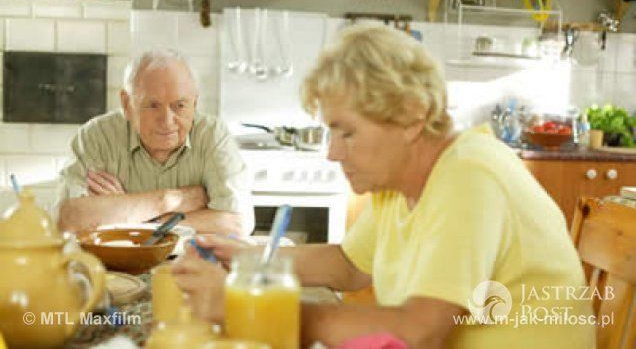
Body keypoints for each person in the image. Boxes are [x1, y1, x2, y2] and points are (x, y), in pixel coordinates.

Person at [172, 25, 595, 348]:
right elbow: (349, 265)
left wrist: (261, 311)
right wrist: (251, 259)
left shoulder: (470, 175)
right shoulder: (401, 183)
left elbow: (420, 332)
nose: (332, 154)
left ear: (412, 116)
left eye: (347, 133)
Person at [56, 49, 254, 236]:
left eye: (179, 106)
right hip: (115, 268)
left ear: (195, 103)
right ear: (126, 104)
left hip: (192, 265)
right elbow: (67, 220)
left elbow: (237, 223)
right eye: (153, 105)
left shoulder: (212, 135)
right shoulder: (97, 136)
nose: (167, 121)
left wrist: (130, 216)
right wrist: (170, 200)